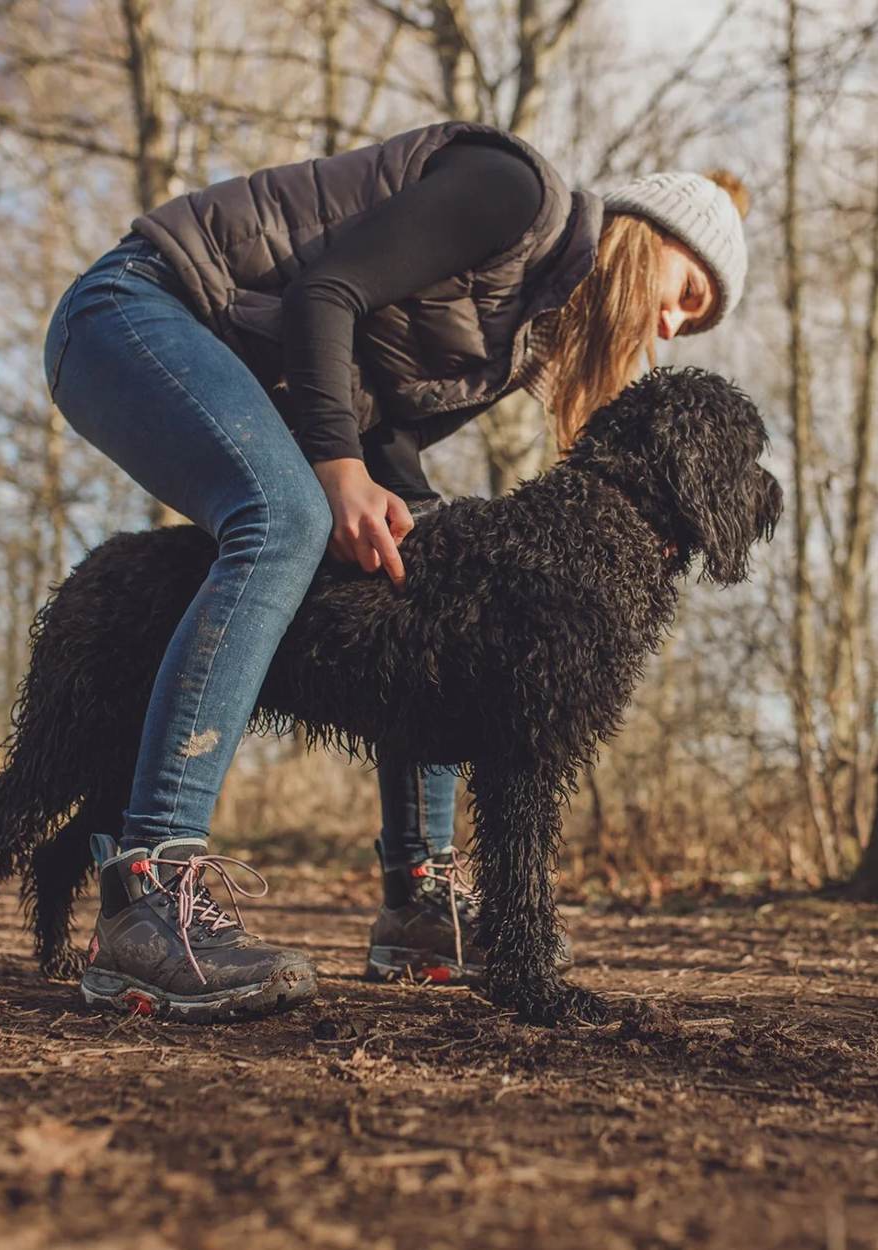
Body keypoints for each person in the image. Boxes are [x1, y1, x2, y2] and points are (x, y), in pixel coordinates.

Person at [42, 119, 749, 1022]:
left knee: (441, 562)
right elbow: (323, 297)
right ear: (647, 237)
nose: (670, 325)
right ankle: (153, 894)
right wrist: (336, 471)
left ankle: (420, 902)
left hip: (224, 360)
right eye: (684, 293)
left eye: (690, 322)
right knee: (285, 517)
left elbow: (386, 433)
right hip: (137, 309)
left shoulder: (521, 338)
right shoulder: (519, 197)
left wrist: (424, 523)